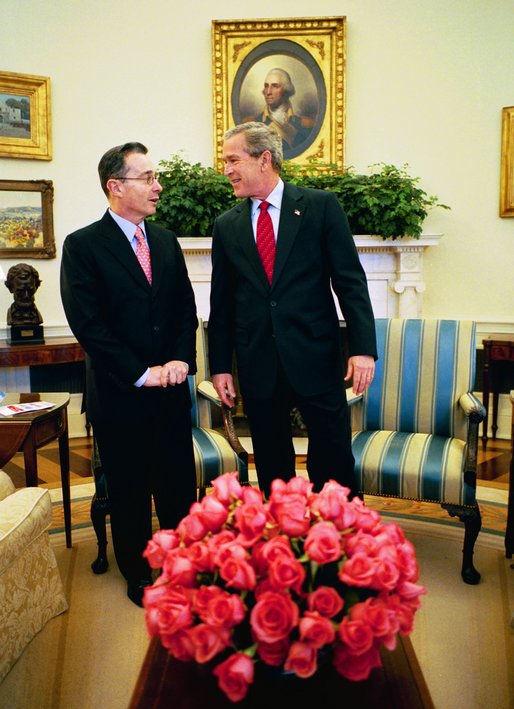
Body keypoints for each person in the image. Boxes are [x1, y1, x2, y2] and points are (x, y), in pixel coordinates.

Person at [60, 142, 198, 606]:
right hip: (123, 393)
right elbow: (89, 325)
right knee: (130, 490)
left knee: (178, 485)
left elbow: (184, 308)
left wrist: (181, 359)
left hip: (173, 390)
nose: (158, 186)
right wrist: (142, 373)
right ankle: (138, 573)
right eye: (148, 177)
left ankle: (182, 566)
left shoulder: (165, 240)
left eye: (156, 176)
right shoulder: (82, 246)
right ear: (115, 187)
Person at [208, 122, 377, 498]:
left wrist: (363, 348)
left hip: (315, 355)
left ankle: (336, 538)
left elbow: (350, 282)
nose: (227, 170)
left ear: (264, 159)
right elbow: (220, 304)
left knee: (332, 456)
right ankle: (280, 540)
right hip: (258, 361)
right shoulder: (227, 226)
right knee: (271, 460)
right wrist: (220, 366)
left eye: (233, 160)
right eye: (225, 161)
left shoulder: (319, 206)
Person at [248, 68, 315, 155]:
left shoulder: (307, 125)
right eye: (266, 86)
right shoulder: (251, 125)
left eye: (275, 86)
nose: (268, 92)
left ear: (286, 90)